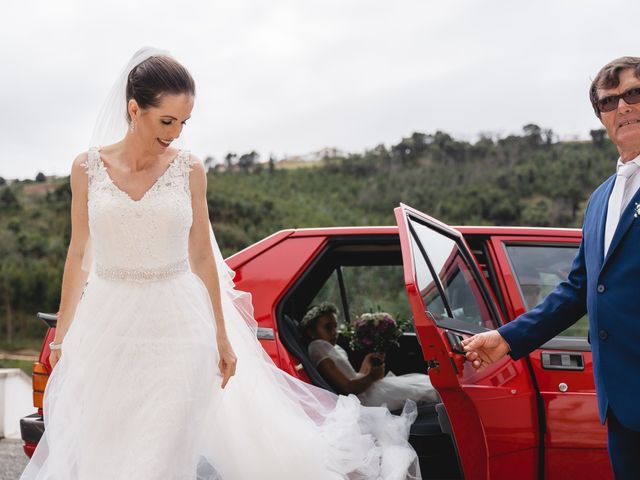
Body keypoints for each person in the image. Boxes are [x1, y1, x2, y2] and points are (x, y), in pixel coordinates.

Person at [20, 47, 422, 480]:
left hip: (176, 331)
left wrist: (221, 336)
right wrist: (62, 339)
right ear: (134, 109)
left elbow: (200, 256)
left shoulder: (189, 170)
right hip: (107, 329)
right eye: (166, 121)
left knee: (157, 458)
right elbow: (78, 255)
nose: (175, 133)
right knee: (106, 453)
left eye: (183, 123)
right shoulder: (87, 167)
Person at [461, 56, 640, 479]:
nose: (623, 107)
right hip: (620, 403)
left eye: (634, 94)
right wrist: (506, 338)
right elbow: (581, 287)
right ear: (600, 117)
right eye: (609, 102)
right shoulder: (600, 200)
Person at [302, 303, 439, 412]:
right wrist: (372, 377)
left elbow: (353, 376)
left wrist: (366, 365)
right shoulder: (317, 347)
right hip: (364, 399)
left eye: (335, 326)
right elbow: (347, 388)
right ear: (311, 331)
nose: (334, 332)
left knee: (422, 383)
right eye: (327, 328)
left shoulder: (333, 347)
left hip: (365, 389)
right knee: (424, 389)